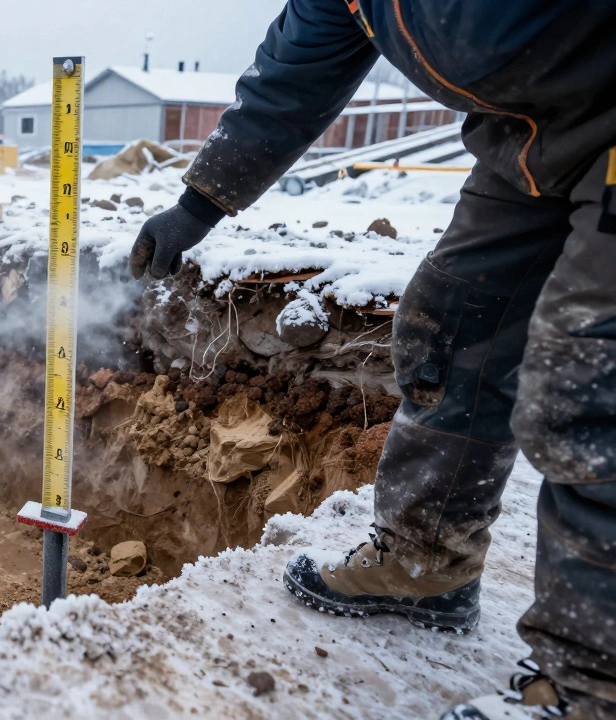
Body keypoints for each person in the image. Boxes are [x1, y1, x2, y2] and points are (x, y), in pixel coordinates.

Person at [128, 2, 616, 718]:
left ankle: (593, 688)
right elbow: (293, 75)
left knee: (589, 384)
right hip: (529, 139)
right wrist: (200, 205)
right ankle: (426, 563)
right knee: (451, 326)